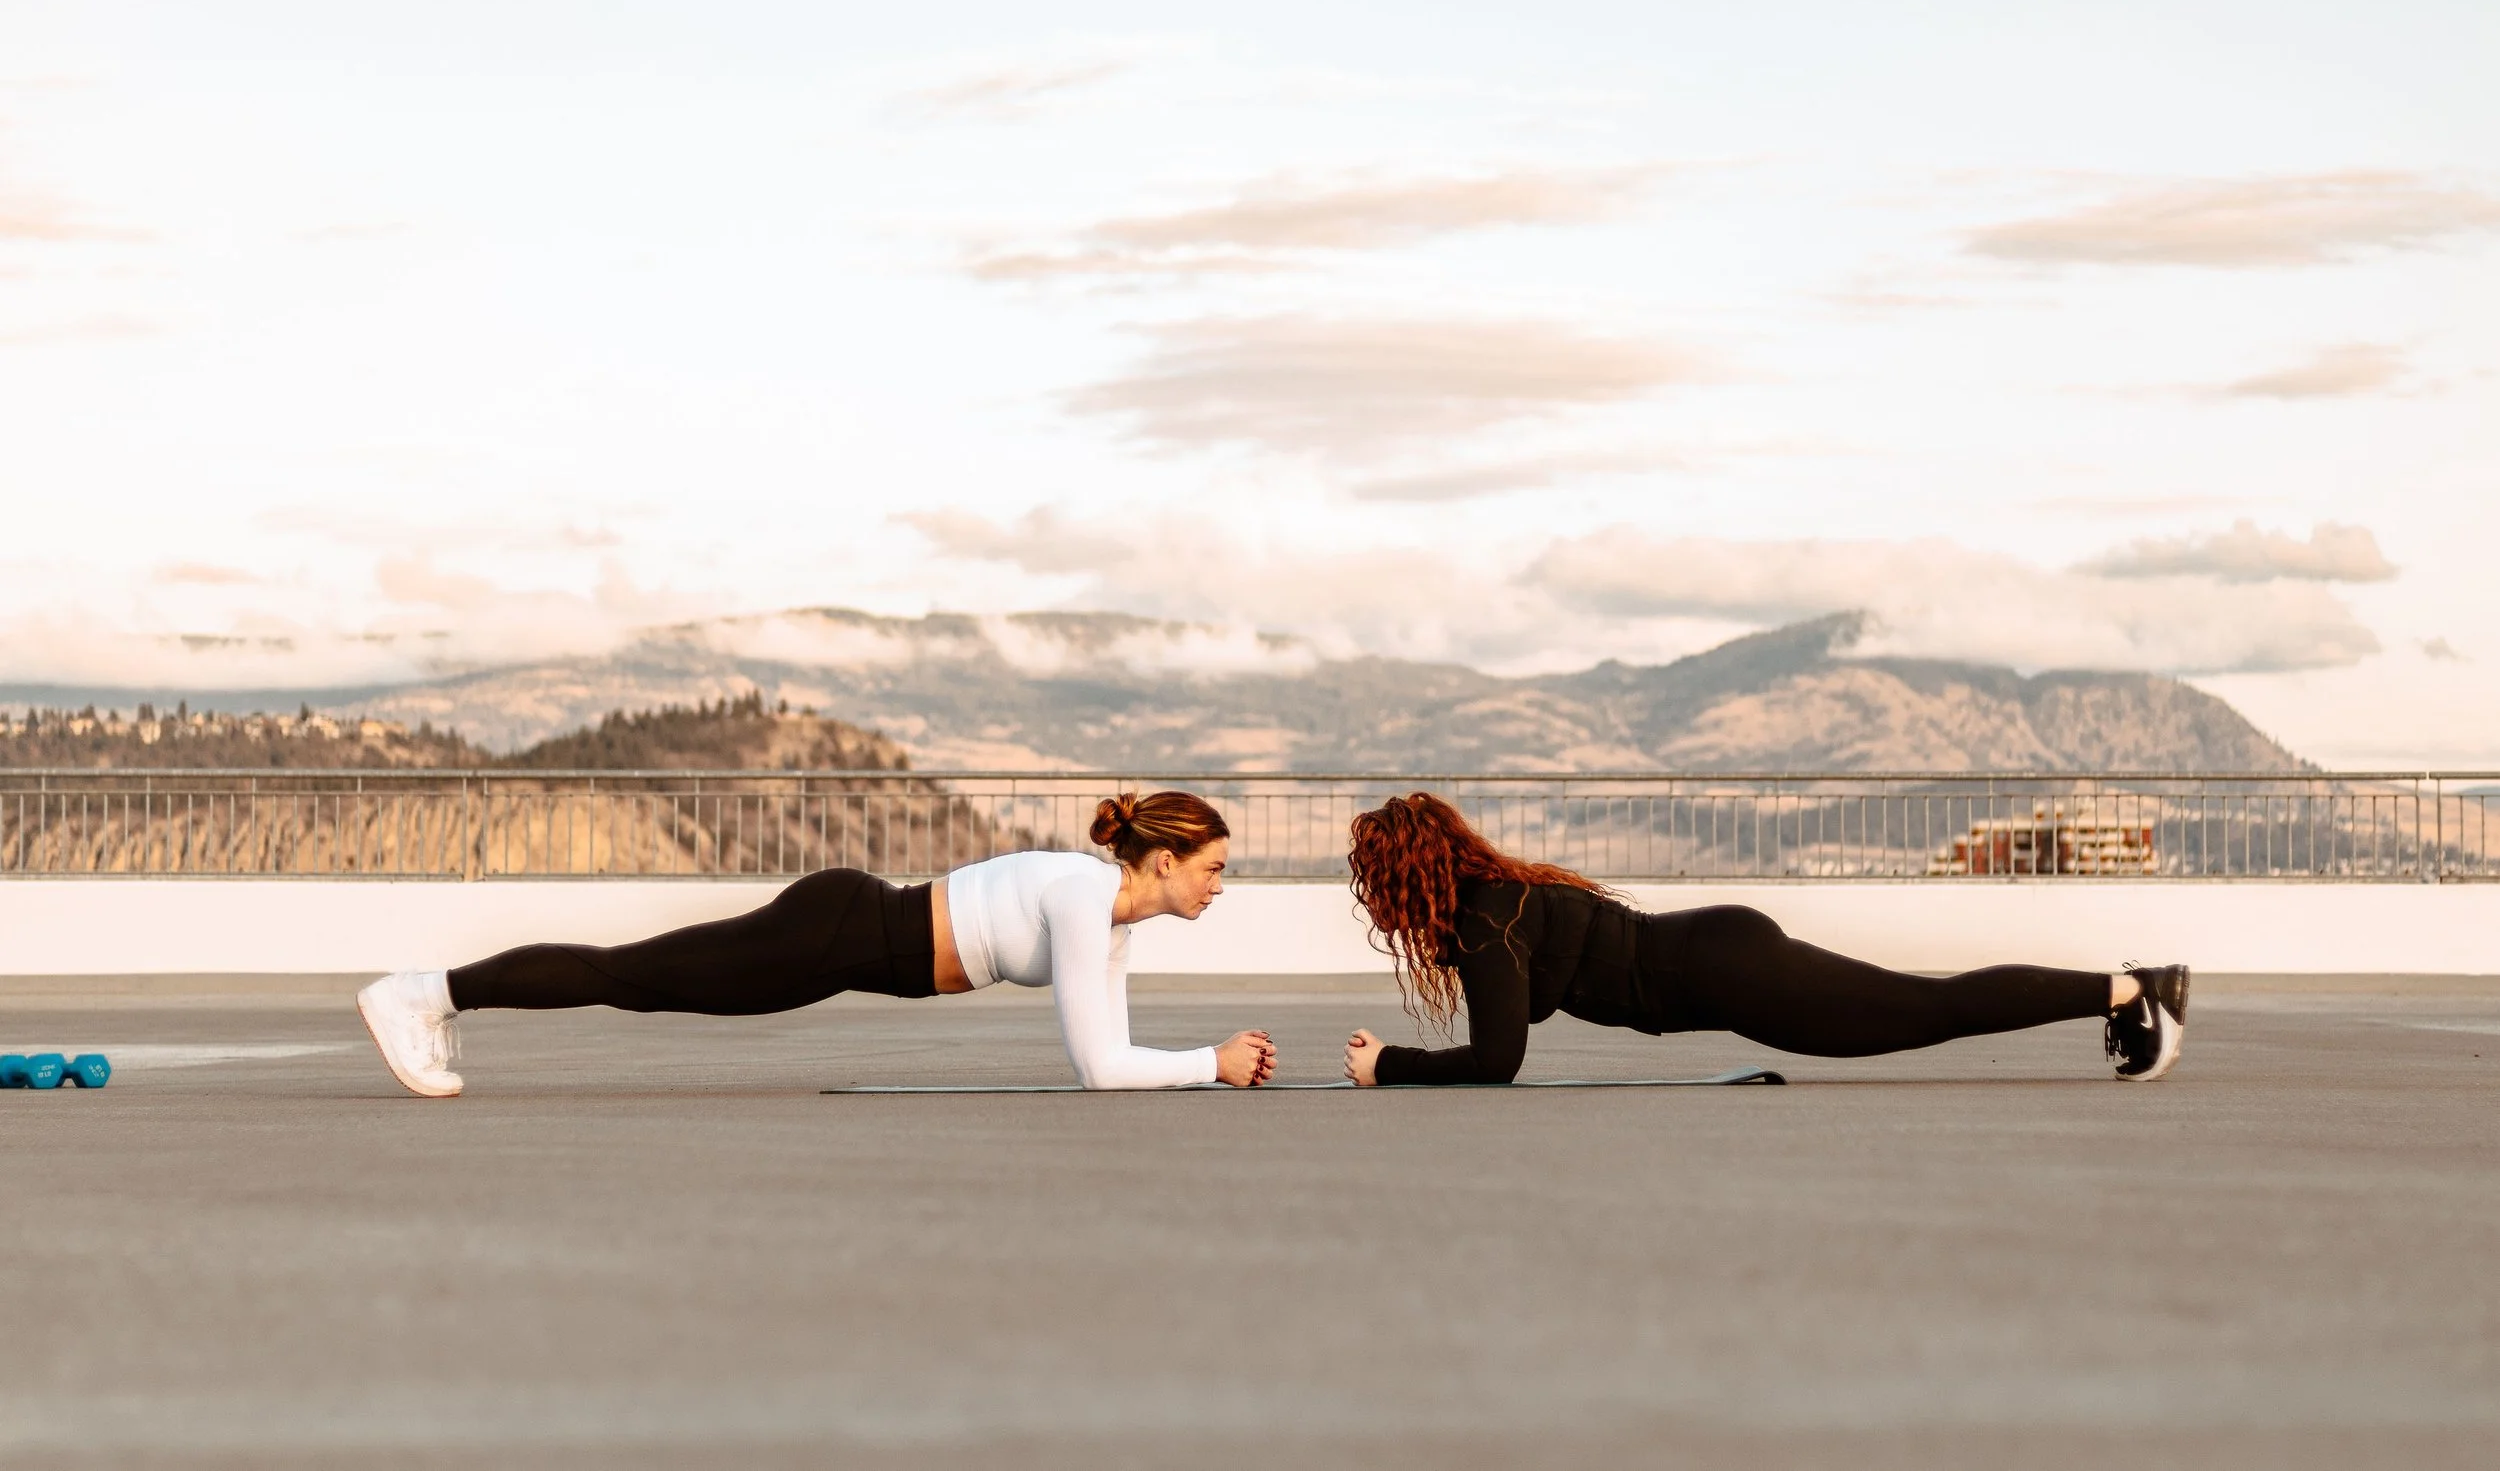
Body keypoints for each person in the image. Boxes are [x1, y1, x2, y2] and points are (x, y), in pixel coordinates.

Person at [357, 790, 1277, 1097]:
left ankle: (432, 995)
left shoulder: (1108, 918)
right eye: (1212, 866)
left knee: (636, 978)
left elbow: (1107, 1054)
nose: (1218, 884)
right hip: (835, 933)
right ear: (1161, 859)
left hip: (844, 935)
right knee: (631, 976)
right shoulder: (1084, 899)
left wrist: (1206, 1061)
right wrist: (1212, 1062)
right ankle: (422, 993)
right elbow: (1102, 1072)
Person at [1337, 793, 2187, 1087]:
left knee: (1932, 1007)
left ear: (1412, 876)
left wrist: (1391, 1064)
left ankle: (2135, 990)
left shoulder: (1491, 920)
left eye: (1378, 882)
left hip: (1731, 972)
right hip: (1723, 956)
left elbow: (1496, 1061)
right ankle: (2127, 988)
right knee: (1929, 1004)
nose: (1374, 901)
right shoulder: (1494, 905)